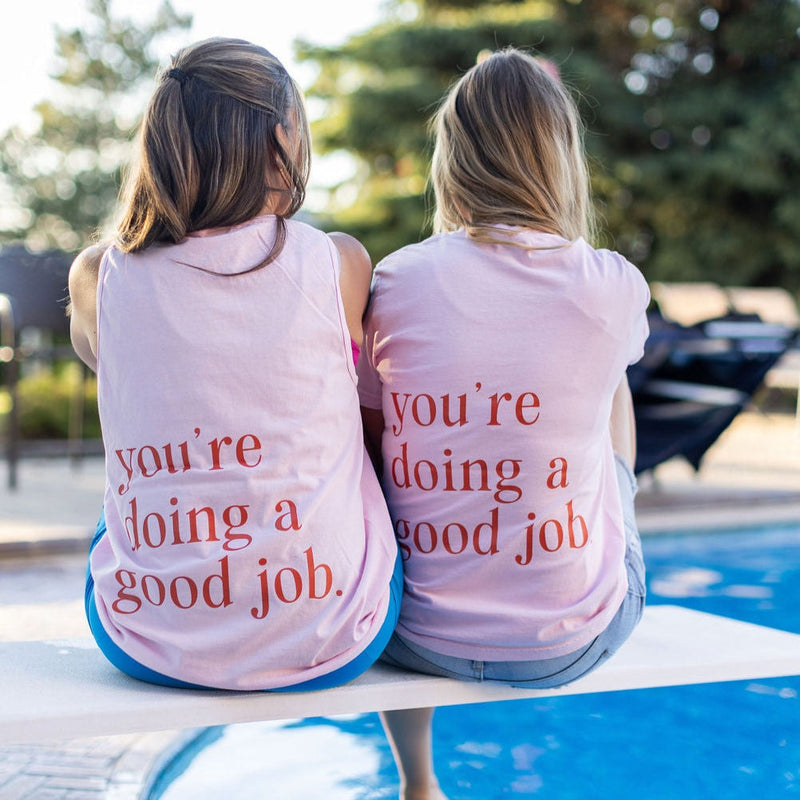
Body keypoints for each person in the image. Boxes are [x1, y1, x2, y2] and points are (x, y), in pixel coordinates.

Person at [357, 48, 650, 799]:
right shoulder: (613, 285)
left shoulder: (394, 279)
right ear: (561, 159)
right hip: (568, 638)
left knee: (390, 462)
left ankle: (416, 780)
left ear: (451, 158)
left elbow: (367, 432)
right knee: (609, 384)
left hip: (410, 636)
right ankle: (587, 545)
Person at [68, 37, 401, 691]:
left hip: (147, 637)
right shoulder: (337, 262)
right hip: (332, 630)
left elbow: (122, 378)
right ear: (283, 140)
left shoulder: (96, 275)